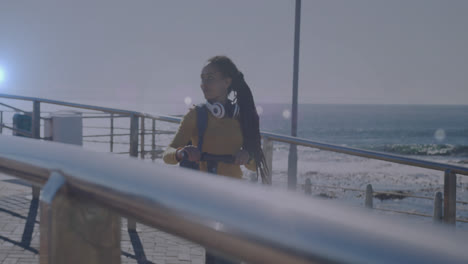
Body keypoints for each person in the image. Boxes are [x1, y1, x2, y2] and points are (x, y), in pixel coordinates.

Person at [162, 55, 270, 264]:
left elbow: (256, 164)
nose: (204, 84)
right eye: (202, 78)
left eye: (210, 77)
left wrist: (247, 156)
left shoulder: (242, 116)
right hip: (206, 199)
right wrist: (181, 153)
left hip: (236, 200)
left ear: (227, 82)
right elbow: (167, 153)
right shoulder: (195, 115)